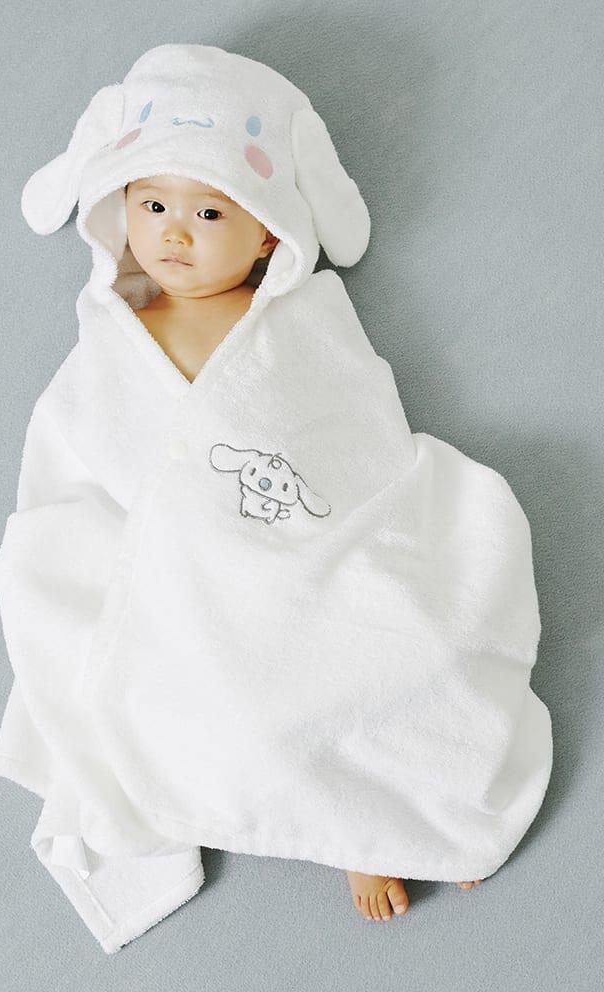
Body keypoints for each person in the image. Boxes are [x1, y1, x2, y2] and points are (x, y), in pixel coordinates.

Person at [124, 172, 483, 921]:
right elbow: (93, 443)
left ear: (265, 235)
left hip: (321, 527)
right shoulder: (121, 334)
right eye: (152, 206)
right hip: (211, 559)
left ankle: (434, 806)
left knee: (421, 638)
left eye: (208, 212)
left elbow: (350, 414)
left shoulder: (294, 313)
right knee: (256, 703)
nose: (174, 232)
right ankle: (355, 830)